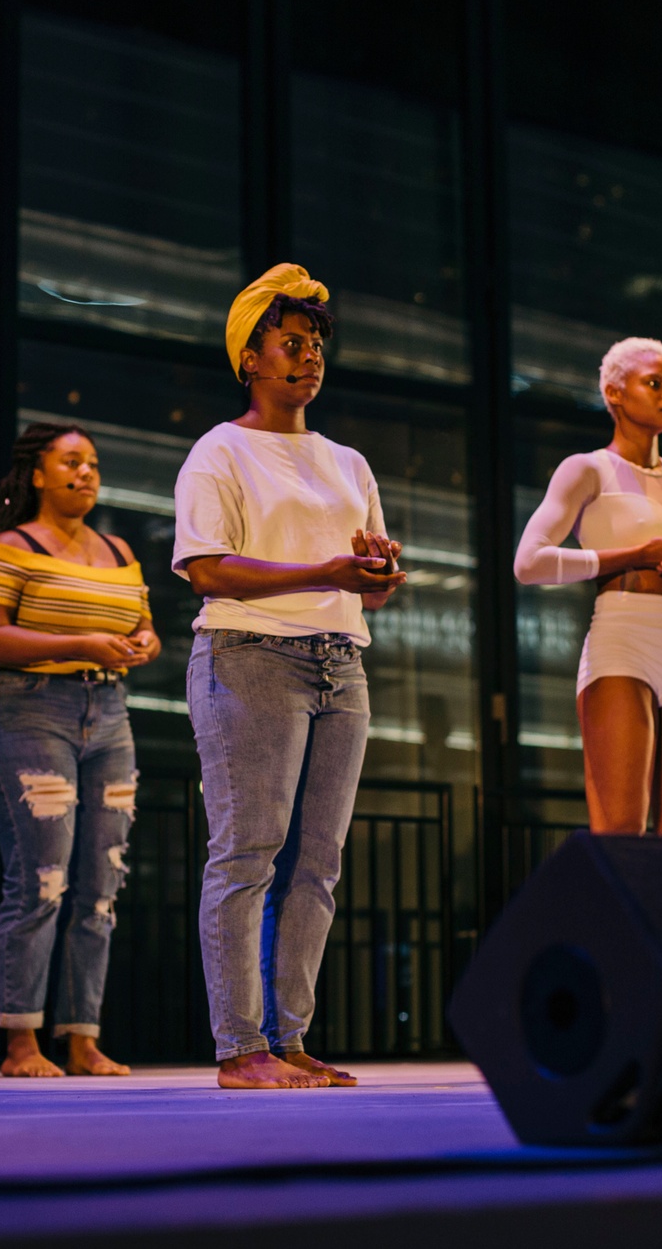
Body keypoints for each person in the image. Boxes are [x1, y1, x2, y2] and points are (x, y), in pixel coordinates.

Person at [173, 263, 406, 1090]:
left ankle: (291, 1036)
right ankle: (240, 1047)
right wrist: (329, 571)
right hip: (249, 654)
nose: (308, 358)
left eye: (315, 346)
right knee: (248, 853)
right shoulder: (220, 449)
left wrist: (375, 573)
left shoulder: (348, 459)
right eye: (291, 344)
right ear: (251, 357)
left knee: (320, 861)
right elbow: (205, 567)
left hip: (341, 660)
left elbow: (364, 577)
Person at [0, 422, 160, 1078]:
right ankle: (22, 1041)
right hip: (32, 711)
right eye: (71, 462)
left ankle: (82, 1037)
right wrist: (81, 642)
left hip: (108, 715)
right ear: (39, 473)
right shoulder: (6, 549)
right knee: (42, 878)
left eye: (94, 464)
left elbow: (142, 624)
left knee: (100, 883)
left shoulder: (117, 549)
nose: (86, 473)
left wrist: (144, 644)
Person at [514, 338, 662, 835]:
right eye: (655, 383)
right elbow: (528, 563)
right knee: (621, 834)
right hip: (623, 642)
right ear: (615, 393)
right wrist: (638, 555)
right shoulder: (588, 469)